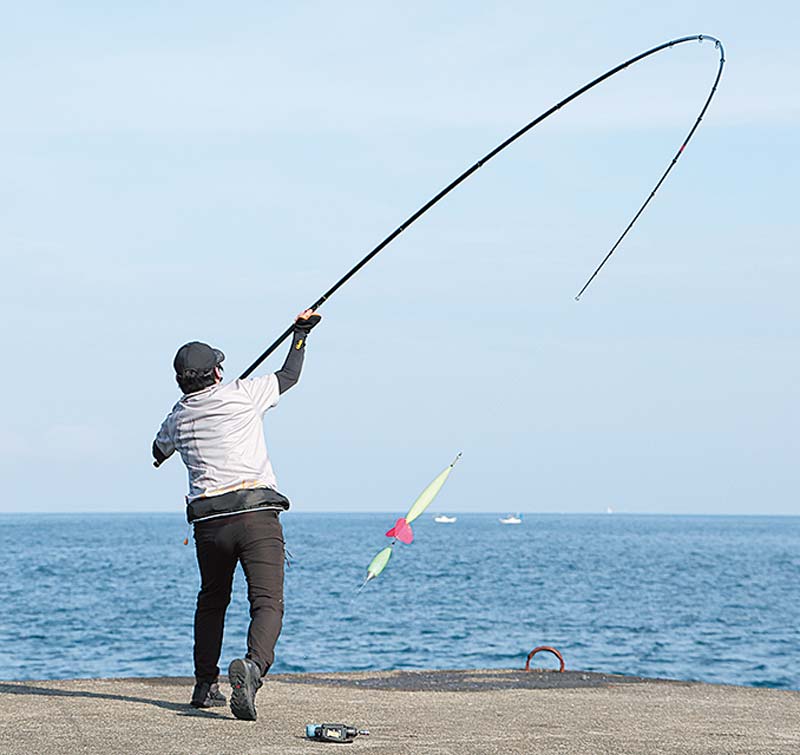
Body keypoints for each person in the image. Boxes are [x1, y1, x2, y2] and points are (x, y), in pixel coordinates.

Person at [152, 309, 321, 720]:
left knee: (212, 601)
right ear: (215, 373)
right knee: (267, 602)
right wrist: (299, 334)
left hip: (210, 525)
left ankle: (204, 685)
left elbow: (157, 453)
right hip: (255, 515)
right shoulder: (244, 393)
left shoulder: (177, 416)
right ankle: (253, 669)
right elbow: (289, 375)